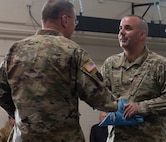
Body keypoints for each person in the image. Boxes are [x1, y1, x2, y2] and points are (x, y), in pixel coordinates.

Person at [0, 0, 118, 141]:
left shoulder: (15, 50)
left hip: (23, 137)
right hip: (62, 137)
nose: (74, 26)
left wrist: (22, 113)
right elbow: (97, 96)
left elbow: (1, 92)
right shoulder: (72, 51)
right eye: (75, 22)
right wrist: (122, 106)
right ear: (65, 20)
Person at [100, 15, 166, 142]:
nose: (121, 32)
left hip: (149, 138)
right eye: (120, 28)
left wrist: (141, 107)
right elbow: (100, 95)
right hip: (117, 138)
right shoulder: (110, 64)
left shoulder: (160, 65)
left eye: (127, 28)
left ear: (142, 35)